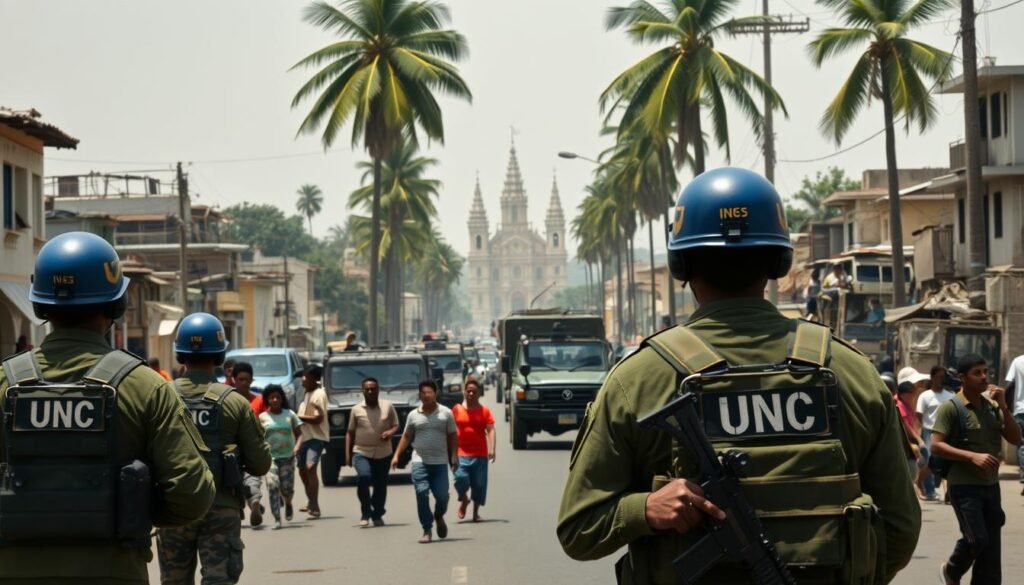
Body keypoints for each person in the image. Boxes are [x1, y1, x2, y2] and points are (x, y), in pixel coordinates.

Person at [557, 168, 920, 584]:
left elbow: (579, 529)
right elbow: (900, 528)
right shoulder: (852, 372)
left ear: (680, 263)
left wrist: (643, 510)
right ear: (779, 261)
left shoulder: (637, 379)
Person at [0, 231, 216, 584]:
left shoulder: (5, 384)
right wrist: (130, 512)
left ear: (39, 305)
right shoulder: (146, 387)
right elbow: (191, 495)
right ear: (117, 305)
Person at [157, 312, 272, 585]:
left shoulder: (160, 396)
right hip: (221, 507)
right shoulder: (235, 402)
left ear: (179, 354)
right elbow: (260, 464)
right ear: (220, 355)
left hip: (174, 508)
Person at [933, 354, 1021, 584]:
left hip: (991, 486)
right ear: (963, 377)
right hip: (964, 486)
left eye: (985, 371)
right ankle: (952, 570)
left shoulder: (992, 407)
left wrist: (1004, 407)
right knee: (976, 539)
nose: (984, 377)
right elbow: (936, 445)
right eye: (977, 373)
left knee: (991, 550)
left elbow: (1015, 438)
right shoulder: (952, 407)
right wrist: (972, 456)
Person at [392, 380, 458, 544]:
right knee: (421, 493)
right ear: (419, 395)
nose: (426, 395)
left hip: (440, 462)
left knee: (442, 496)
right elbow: (407, 436)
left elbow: (452, 435)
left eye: (430, 392)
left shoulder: (446, 413)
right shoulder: (413, 415)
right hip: (419, 461)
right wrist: (396, 455)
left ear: (436, 394)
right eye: (423, 393)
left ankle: (438, 515)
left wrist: (454, 456)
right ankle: (427, 529)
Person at [346, 377, 400, 527]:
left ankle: (377, 513)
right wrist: (347, 454)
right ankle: (365, 512)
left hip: (383, 452)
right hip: (361, 451)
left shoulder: (388, 406)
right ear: (362, 391)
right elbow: (350, 432)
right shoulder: (356, 409)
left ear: (378, 390)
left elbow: (396, 425)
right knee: (364, 477)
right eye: (367, 389)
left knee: (380, 485)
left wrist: (390, 432)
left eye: (373, 389)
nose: (370, 391)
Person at [258, 384, 303, 530]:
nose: (275, 400)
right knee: (272, 485)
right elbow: (257, 437)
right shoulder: (262, 418)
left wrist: (297, 447)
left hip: (288, 457)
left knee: (286, 488)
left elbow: (299, 434)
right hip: (270, 458)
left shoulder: (290, 414)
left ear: (282, 398)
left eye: (277, 397)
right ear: (267, 400)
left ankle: (288, 503)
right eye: (272, 398)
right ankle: (277, 518)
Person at [452, 379, 496, 522]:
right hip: (460, 453)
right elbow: (449, 429)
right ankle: (464, 499)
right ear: (464, 392)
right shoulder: (457, 409)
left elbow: (490, 429)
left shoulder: (485, 411)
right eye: (468, 391)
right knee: (460, 479)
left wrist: (492, 449)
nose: (471, 394)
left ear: (479, 393)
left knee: (479, 485)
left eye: (474, 391)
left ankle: (475, 513)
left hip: (480, 454)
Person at [232, 361, 267, 528]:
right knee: (235, 480)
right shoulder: (227, 401)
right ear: (234, 380)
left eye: (247, 380)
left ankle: (254, 504)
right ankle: (252, 504)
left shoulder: (258, 401)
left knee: (252, 477)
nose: (244, 383)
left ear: (252, 380)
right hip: (232, 449)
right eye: (241, 379)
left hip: (252, 448)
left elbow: (267, 423)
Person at [917, 365, 956, 501]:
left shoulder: (950, 396)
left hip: (946, 431)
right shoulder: (925, 396)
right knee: (931, 459)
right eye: (939, 377)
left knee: (948, 459)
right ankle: (925, 486)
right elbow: (919, 415)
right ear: (932, 378)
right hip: (930, 431)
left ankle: (948, 492)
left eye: (943, 377)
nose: (941, 380)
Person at [296, 364, 329, 519]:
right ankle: (310, 500)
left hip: (316, 437)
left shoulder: (319, 394)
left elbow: (318, 418)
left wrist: (298, 417)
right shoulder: (306, 394)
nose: (303, 379)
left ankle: (315, 505)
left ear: (314, 379)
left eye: (306, 376)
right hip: (304, 437)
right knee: (302, 470)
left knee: (310, 468)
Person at [896, 367, 930, 499]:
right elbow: (905, 426)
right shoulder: (898, 404)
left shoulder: (910, 403)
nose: (920, 386)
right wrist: (918, 440)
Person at [1002, 352, 1024, 491]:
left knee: (1022, 443)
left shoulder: (1018, 361)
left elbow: (1010, 385)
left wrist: (1007, 407)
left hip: (1021, 409)